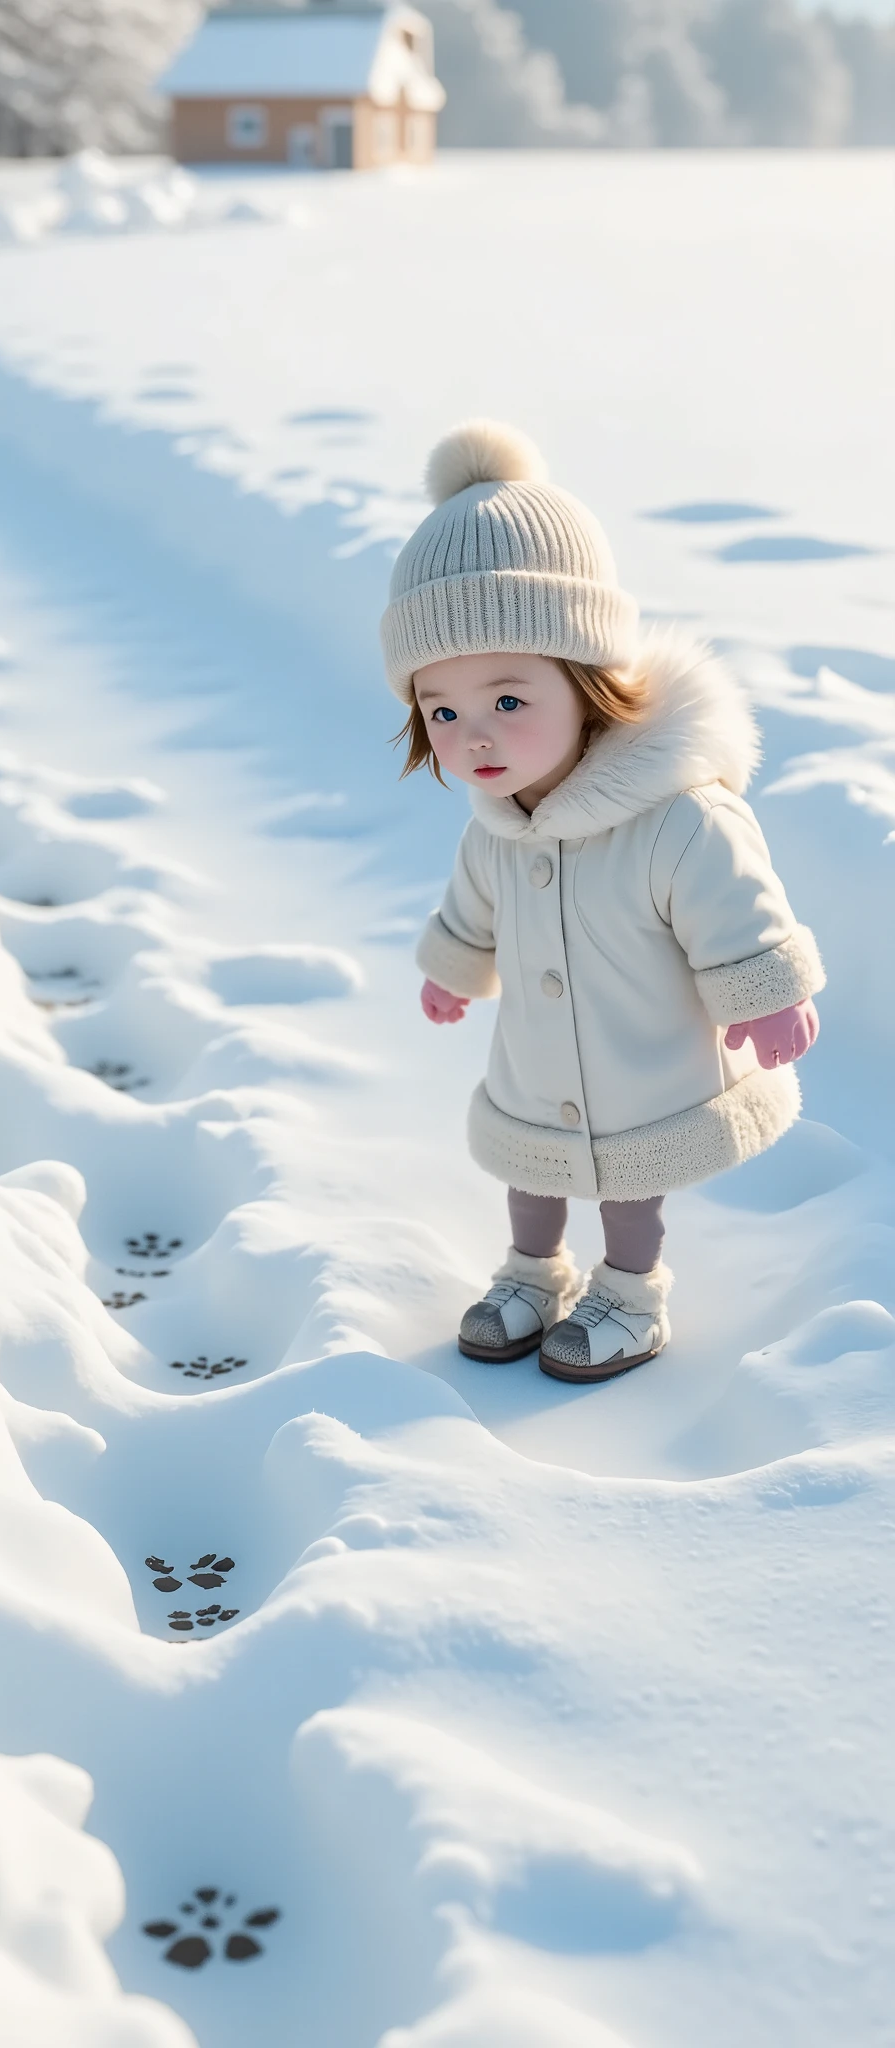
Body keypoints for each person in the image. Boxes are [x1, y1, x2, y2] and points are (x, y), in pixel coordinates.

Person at [382, 420, 823, 1383]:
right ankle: (533, 1274)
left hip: (640, 1055)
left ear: (590, 685)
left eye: (508, 700)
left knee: (632, 1174)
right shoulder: (494, 824)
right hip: (536, 1059)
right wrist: (454, 968)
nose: (474, 737)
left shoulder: (676, 817)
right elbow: (473, 906)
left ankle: (632, 1290)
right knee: (529, 1166)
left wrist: (765, 991)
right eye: (441, 711)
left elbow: (737, 906)